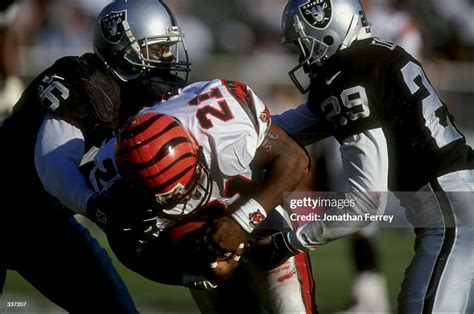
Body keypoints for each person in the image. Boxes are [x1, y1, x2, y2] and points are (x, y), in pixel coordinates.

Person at [261, 0, 473, 313]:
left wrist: (289, 242)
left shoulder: (348, 72)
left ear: (328, 30)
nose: (302, 56)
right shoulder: (373, 57)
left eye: (304, 44)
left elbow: (365, 204)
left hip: (454, 217)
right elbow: (286, 128)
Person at [0, 0, 189, 312]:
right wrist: (97, 207)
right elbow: (53, 163)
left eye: (169, 49)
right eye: (157, 50)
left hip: (41, 223)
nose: (168, 60)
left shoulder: (134, 96)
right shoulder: (88, 84)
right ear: (121, 47)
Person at [80, 78, 317, 313]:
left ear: (196, 151)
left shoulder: (226, 125)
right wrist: (193, 273)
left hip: (256, 210)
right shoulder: (111, 182)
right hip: (193, 240)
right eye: (173, 199)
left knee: (293, 308)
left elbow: (294, 158)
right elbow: (132, 252)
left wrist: (241, 222)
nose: (185, 200)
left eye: (189, 187)